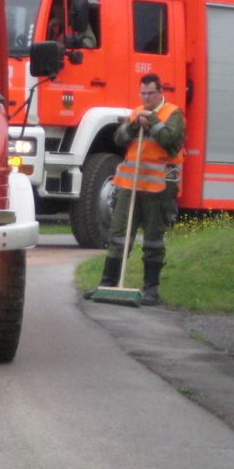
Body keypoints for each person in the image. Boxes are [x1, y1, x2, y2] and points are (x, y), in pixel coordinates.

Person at [88, 72, 184, 305]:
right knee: (119, 234)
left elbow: (171, 140)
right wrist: (133, 125)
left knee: (153, 239)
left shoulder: (173, 114)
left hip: (158, 187)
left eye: (150, 93)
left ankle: (151, 289)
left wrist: (151, 121)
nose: (146, 97)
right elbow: (119, 139)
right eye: (143, 93)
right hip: (130, 186)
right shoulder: (135, 112)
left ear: (160, 92)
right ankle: (108, 283)